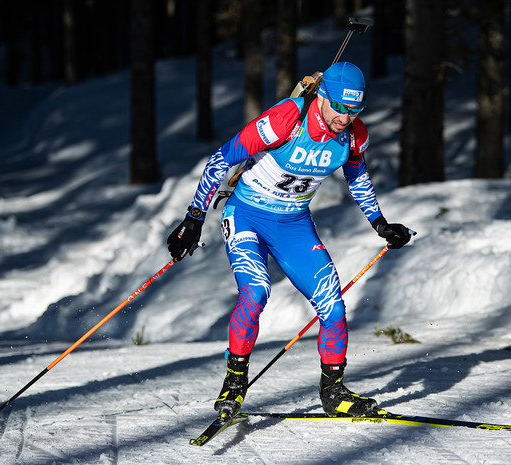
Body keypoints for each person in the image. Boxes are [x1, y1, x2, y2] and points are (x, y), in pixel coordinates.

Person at [166, 62, 412, 419]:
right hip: (247, 215)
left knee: (333, 303)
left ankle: (333, 391)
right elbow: (222, 158)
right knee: (256, 292)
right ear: (323, 97)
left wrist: (380, 223)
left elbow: (357, 177)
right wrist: (194, 218)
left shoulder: (354, 134)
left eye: (354, 109)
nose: (345, 118)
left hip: (294, 223)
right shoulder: (287, 119)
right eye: (340, 108)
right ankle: (234, 383)